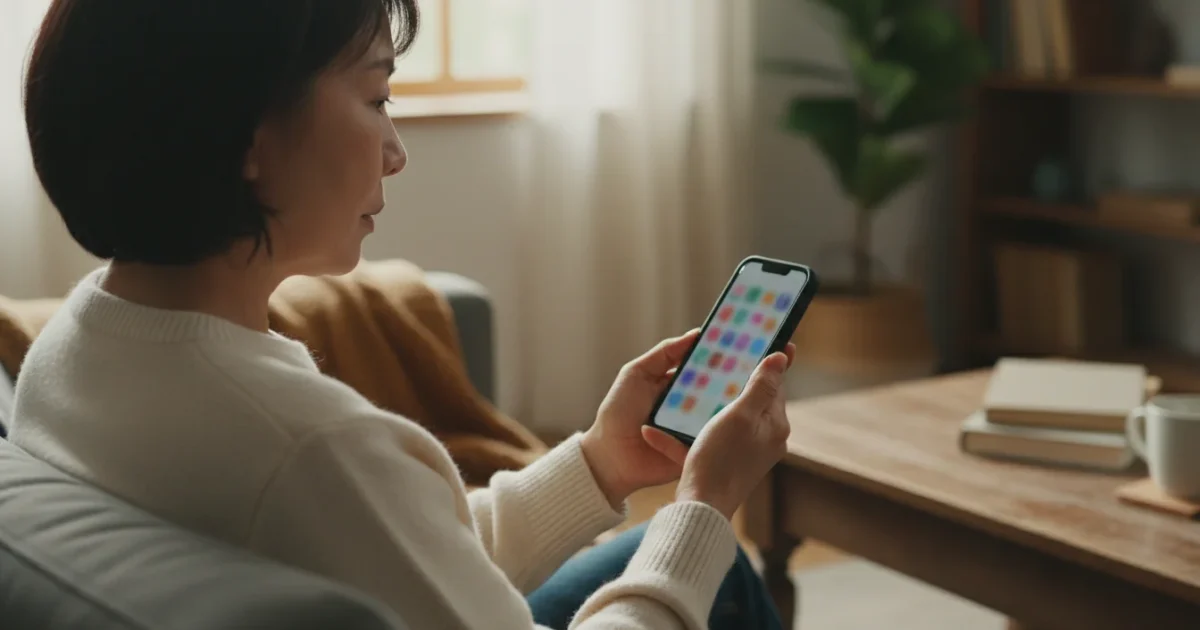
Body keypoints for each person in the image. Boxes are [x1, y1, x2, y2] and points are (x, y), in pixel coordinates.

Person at [11, 1, 794, 628]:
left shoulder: (71, 346)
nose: (395, 150)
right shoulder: (312, 449)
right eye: (377, 96)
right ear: (248, 137)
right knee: (710, 571)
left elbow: (406, 557)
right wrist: (702, 509)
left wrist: (598, 462)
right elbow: (354, 508)